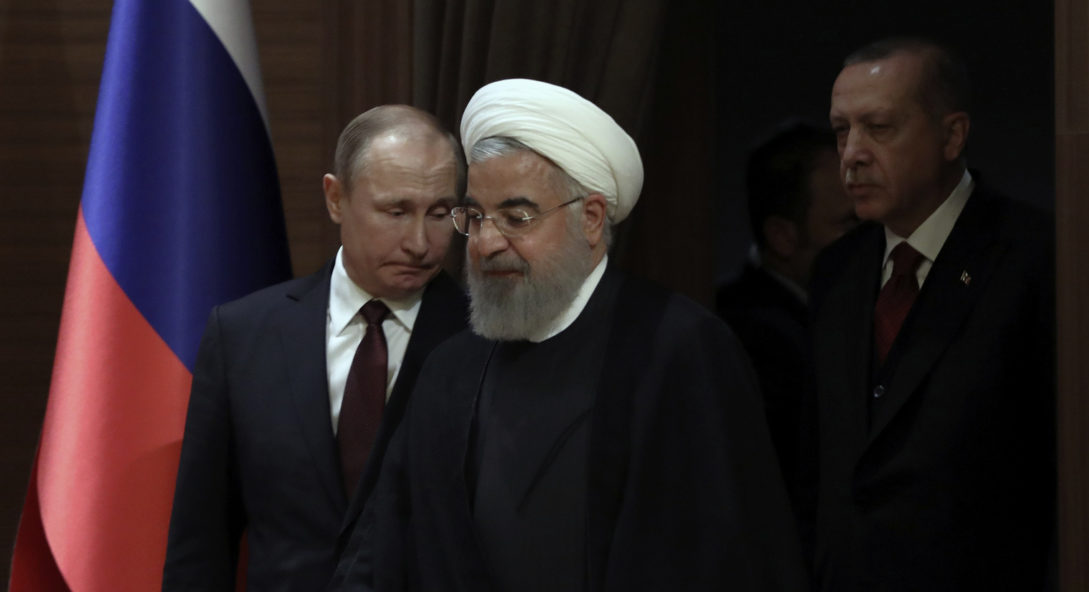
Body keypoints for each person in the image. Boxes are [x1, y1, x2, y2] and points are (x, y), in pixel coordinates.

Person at [333, 79, 807, 592]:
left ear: (591, 218)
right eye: (475, 217)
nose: (488, 243)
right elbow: (382, 551)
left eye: (517, 217)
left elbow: (732, 556)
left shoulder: (680, 350)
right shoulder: (451, 367)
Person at [162, 105, 469, 590]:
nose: (420, 242)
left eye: (438, 214)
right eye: (396, 211)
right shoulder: (243, 335)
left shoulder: (485, 339)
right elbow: (200, 542)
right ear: (336, 198)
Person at [810, 38, 1055, 590]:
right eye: (842, 130)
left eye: (879, 127)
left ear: (952, 136)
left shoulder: (1036, 256)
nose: (852, 154)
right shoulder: (837, 271)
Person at [716, 121, 856, 496]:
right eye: (851, 223)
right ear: (783, 237)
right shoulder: (752, 340)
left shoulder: (832, 315)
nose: (876, 238)